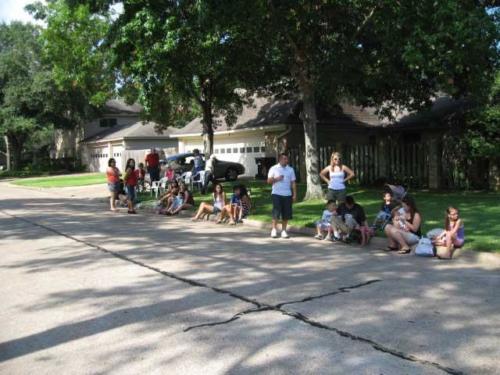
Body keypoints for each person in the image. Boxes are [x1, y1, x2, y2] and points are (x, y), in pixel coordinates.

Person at [267, 153, 297, 238]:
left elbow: (293, 182)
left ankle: (284, 231)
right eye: (284, 159)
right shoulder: (274, 168)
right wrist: (277, 179)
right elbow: (268, 181)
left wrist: (294, 195)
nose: (286, 160)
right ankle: (274, 230)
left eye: (287, 159)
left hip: (287, 194)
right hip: (276, 193)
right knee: (276, 212)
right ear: (280, 159)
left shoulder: (290, 169)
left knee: (286, 213)